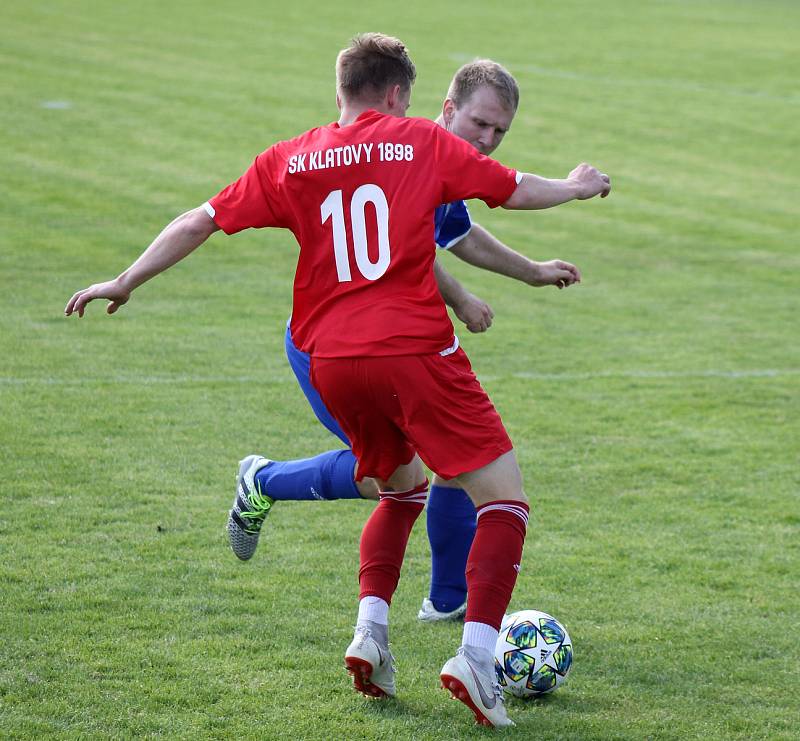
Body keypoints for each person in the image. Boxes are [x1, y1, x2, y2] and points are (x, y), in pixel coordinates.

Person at [65, 33, 610, 727]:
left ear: (341, 89)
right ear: (398, 95)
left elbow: (200, 220)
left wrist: (127, 277)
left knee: (400, 484)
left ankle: (372, 636)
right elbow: (515, 189)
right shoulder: (419, 140)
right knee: (503, 497)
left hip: (332, 358)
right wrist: (578, 184)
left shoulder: (292, 158)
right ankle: (475, 655)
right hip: (412, 348)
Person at [229, 59, 584, 627]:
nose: (487, 139)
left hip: (386, 340)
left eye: (500, 131)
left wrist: (531, 272)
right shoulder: (407, 151)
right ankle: (261, 481)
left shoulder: (436, 156)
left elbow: (455, 234)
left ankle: (445, 599)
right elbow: (406, 249)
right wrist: (465, 297)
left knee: (450, 462)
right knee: (391, 480)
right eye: (480, 123)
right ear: (447, 110)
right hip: (328, 346)